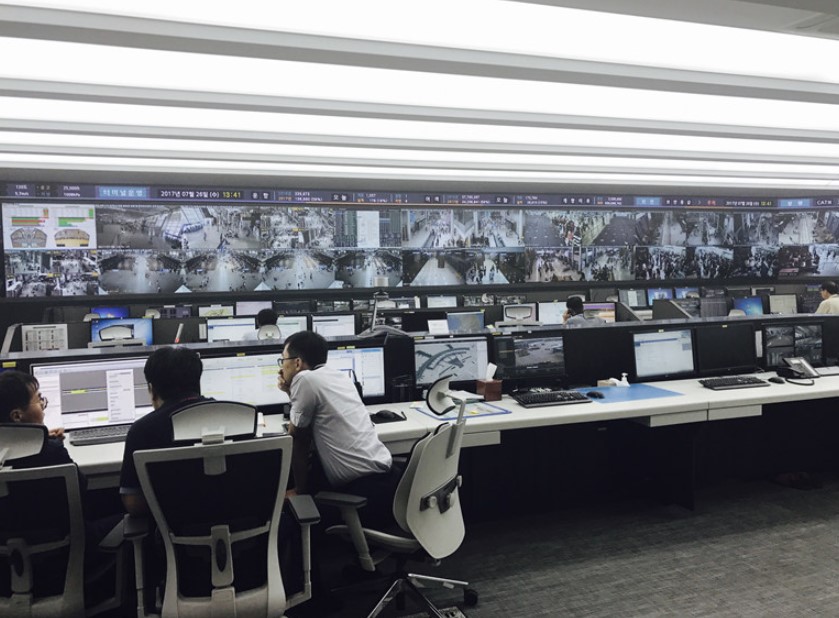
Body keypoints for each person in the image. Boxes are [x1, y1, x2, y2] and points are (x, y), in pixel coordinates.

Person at [278, 330, 398, 524]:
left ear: (297, 363)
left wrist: (300, 491)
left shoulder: (304, 379)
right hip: (387, 482)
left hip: (361, 493)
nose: (282, 366)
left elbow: (297, 437)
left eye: (283, 360)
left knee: (288, 518)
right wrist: (290, 392)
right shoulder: (339, 376)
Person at [119, 346, 206, 515]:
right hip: (237, 524)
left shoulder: (142, 430)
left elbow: (133, 503)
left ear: (152, 390)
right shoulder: (230, 416)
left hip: (172, 527)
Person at [0, 370, 71, 468]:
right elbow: (78, 478)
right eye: (38, 399)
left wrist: (40, 439)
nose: (43, 404)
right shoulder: (53, 451)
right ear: (17, 416)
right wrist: (52, 444)